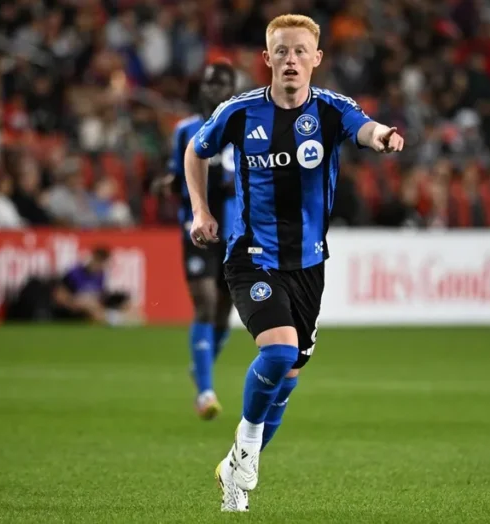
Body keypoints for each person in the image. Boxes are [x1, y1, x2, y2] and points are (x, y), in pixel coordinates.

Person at [183, 14, 404, 512]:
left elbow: (366, 129)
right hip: (251, 255)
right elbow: (197, 151)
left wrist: (383, 136)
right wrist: (201, 210)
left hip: (308, 264)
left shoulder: (332, 109)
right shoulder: (239, 112)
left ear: (316, 59)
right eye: (281, 51)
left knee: (286, 381)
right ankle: (246, 449)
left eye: (301, 51)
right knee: (279, 352)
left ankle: (234, 472)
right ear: (267, 59)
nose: (291, 60)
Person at [165, 62, 238, 420]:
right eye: (209, 83)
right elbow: (175, 174)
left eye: (221, 84)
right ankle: (205, 393)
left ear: (232, 89)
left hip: (236, 232)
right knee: (205, 302)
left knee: (224, 311)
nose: (213, 89)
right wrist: (168, 183)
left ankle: (202, 363)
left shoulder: (245, 127)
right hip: (196, 229)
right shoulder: (185, 131)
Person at [52, 247, 136, 326]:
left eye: (103, 263)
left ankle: (119, 320)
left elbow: (100, 296)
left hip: (95, 306)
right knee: (89, 304)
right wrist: (72, 304)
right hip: (75, 307)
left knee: (127, 304)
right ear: (93, 259)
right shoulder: (74, 273)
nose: (101, 266)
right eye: (99, 262)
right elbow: (59, 295)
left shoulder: (100, 276)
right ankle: (116, 321)